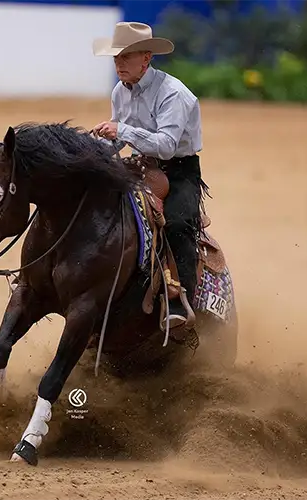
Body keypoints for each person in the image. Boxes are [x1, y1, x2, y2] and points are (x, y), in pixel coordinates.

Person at [89, 22, 206, 331]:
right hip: (141, 164)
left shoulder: (174, 94)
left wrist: (121, 130)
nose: (118, 63)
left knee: (179, 224)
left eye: (126, 57)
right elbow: (120, 139)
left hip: (179, 170)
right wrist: (99, 148)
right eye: (116, 57)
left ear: (146, 58)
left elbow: (167, 147)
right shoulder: (120, 91)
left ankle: (181, 302)